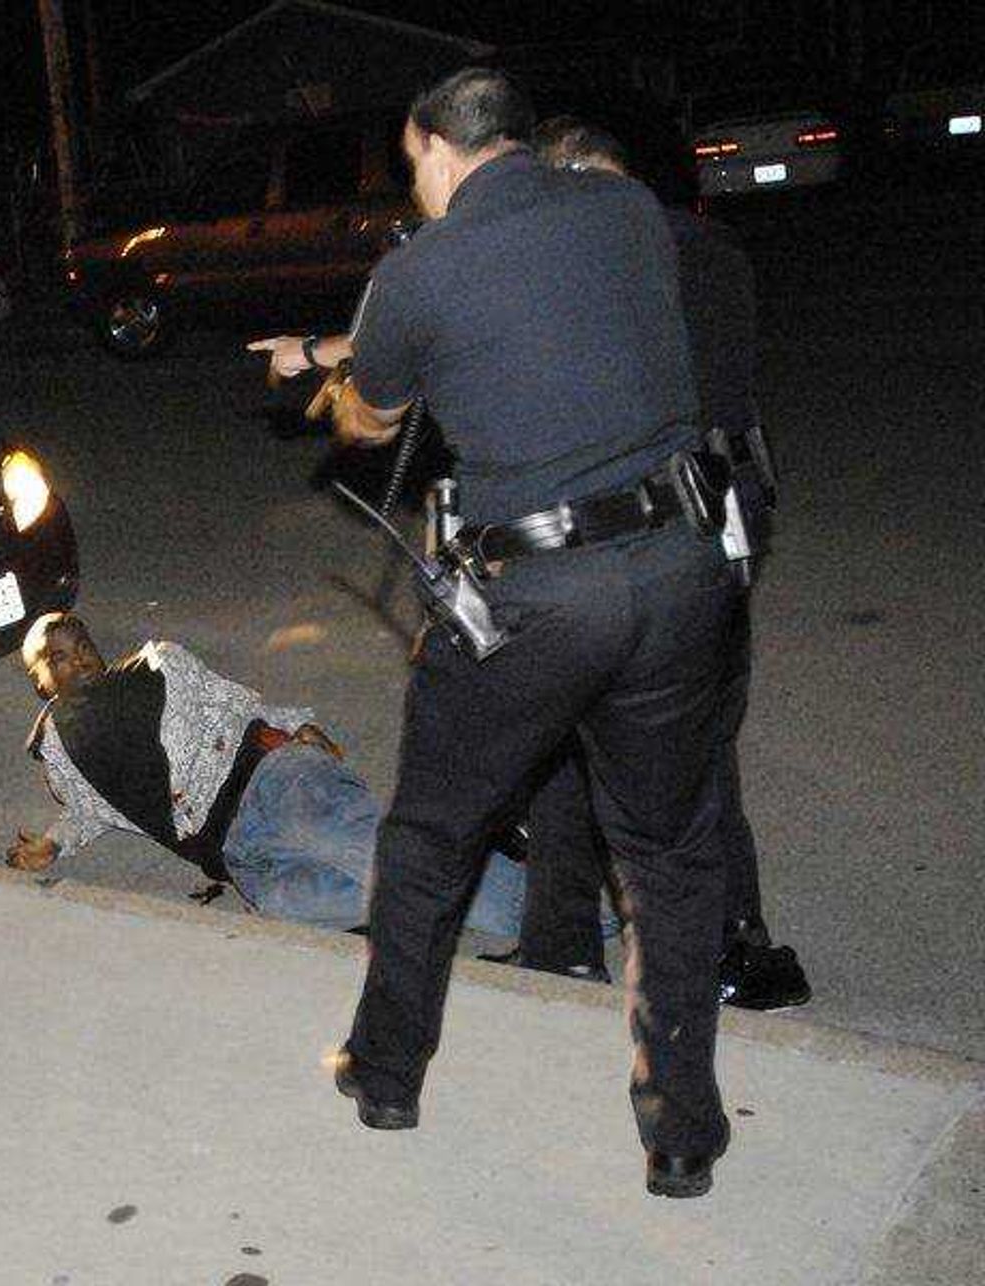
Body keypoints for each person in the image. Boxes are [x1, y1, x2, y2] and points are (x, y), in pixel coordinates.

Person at [250, 67, 742, 1198]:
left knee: (431, 835)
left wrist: (329, 385)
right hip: (679, 566)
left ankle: (385, 1072)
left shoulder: (415, 271)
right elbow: (539, 325)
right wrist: (344, 344)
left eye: (411, 163)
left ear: (432, 147)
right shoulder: (623, 213)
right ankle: (681, 1132)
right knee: (669, 854)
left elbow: (374, 422)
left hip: (537, 599)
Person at [518, 116, 810, 1011]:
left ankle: (732, 948)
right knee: (574, 729)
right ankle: (560, 947)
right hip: (686, 517)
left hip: (677, 527)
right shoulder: (687, 246)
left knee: (678, 741)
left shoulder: (654, 259)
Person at [6, 613, 526, 936]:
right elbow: (94, 810)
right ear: (38, 680)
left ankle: (554, 913)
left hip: (269, 782)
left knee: (405, 872)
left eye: (83, 648)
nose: (78, 661)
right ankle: (477, 858)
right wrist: (55, 844)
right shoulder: (62, 759)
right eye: (57, 657)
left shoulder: (159, 664)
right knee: (292, 907)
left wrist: (295, 724)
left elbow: (236, 700)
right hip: (239, 861)